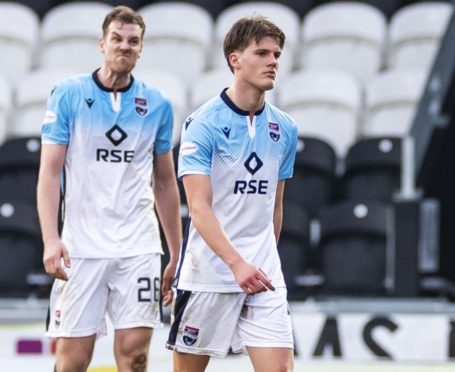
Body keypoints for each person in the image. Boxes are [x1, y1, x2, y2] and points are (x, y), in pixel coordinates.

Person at [37, 6, 182, 372]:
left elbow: (165, 181)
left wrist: (176, 252)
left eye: (133, 41)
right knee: (72, 361)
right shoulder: (68, 95)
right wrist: (51, 239)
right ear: (102, 44)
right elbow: (50, 174)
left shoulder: (158, 105)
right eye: (117, 39)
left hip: (139, 245)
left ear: (141, 49)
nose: (125, 46)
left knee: (135, 357)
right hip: (82, 246)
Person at [166, 15, 297, 372]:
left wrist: (262, 259)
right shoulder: (203, 123)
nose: (273, 61)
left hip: (263, 273)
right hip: (209, 273)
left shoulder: (285, 128)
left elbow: (275, 204)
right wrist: (236, 263)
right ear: (234, 59)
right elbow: (198, 207)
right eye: (262, 53)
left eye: (276, 54)